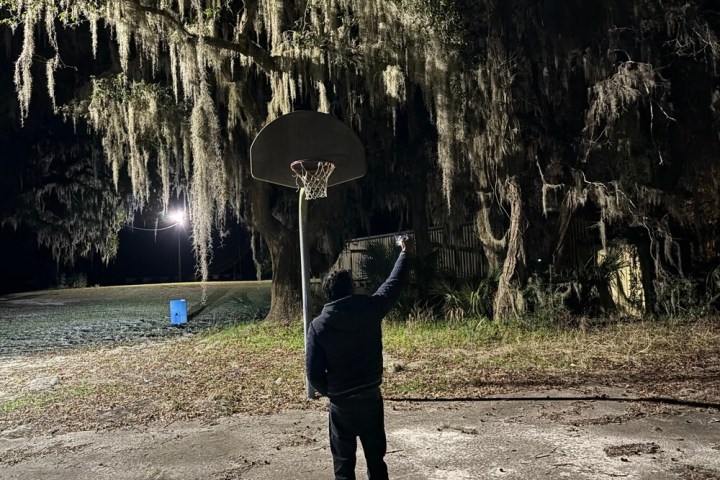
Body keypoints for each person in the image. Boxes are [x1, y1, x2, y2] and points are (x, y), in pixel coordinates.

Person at [306, 237, 412, 480]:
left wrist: (333, 391)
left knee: (343, 465)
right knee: (376, 460)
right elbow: (393, 284)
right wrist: (405, 253)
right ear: (351, 289)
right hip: (370, 400)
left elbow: (313, 374)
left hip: (341, 405)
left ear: (328, 295)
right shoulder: (370, 309)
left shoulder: (318, 326)